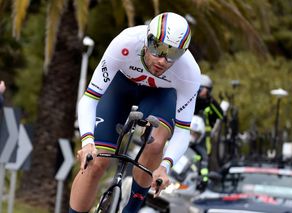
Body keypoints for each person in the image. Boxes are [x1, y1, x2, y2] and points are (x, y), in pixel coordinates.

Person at [69, 12, 201, 213]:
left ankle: (131, 209)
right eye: (158, 48)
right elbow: (90, 99)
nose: (163, 60)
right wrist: (87, 142)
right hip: (120, 87)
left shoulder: (189, 72)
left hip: (159, 95)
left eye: (173, 54)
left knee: (156, 144)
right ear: (148, 40)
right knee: (96, 162)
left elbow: (183, 131)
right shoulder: (126, 42)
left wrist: (164, 167)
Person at [193, 74, 223, 190]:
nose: (199, 91)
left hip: (203, 140)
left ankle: (203, 181)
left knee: (203, 158)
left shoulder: (210, 104)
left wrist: (211, 101)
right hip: (188, 135)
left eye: (202, 89)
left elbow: (220, 114)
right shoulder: (192, 100)